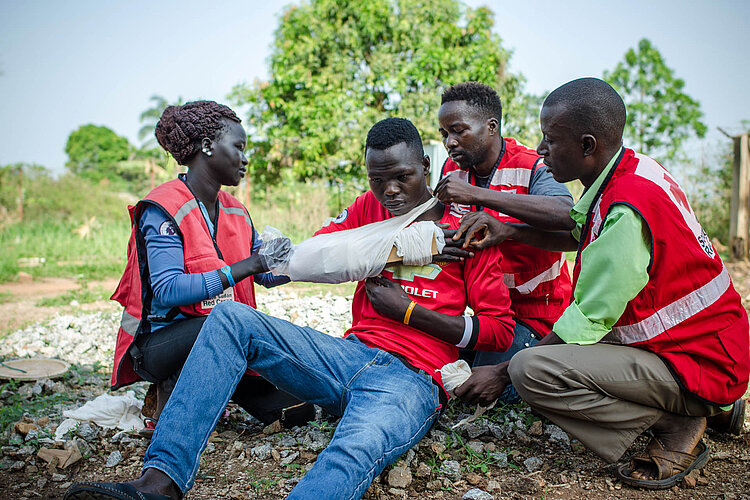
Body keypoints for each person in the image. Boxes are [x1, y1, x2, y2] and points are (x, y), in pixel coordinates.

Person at [65, 117, 515, 500]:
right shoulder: (366, 208)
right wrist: (267, 263)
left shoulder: (466, 231)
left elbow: (498, 332)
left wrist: (409, 314)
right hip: (347, 356)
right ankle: (159, 483)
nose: (390, 191)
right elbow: (306, 257)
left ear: (426, 166)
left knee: (354, 448)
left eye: (402, 177)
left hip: (414, 378)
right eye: (377, 180)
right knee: (229, 318)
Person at [455, 78, 750, 489]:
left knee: (531, 370)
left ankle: (676, 423)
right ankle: (714, 407)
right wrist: (510, 232)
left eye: (551, 140)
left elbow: (585, 320)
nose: (541, 149)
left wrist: (501, 374)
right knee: (542, 362)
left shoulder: (625, 209)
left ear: (588, 145)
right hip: (710, 348)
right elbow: (580, 234)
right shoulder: (633, 172)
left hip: (695, 359)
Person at [110, 100, 313, 433]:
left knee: (298, 411)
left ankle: (220, 389)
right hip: (162, 344)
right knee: (228, 323)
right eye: (239, 147)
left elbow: (265, 273)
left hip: (227, 337)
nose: (245, 158)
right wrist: (244, 266)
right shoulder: (163, 207)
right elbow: (168, 288)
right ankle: (172, 407)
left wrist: (311, 262)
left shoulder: (236, 210)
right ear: (207, 147)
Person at [434, 81, 574, 402]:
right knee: (432, 362)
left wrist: (479, 195)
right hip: (484, 310)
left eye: (458, 131)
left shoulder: (534, 165)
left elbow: (567, 213)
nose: (449, 142)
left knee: (476, 386)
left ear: (491, 127)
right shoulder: (451, 170)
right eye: (444, 134)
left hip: (536, 314)